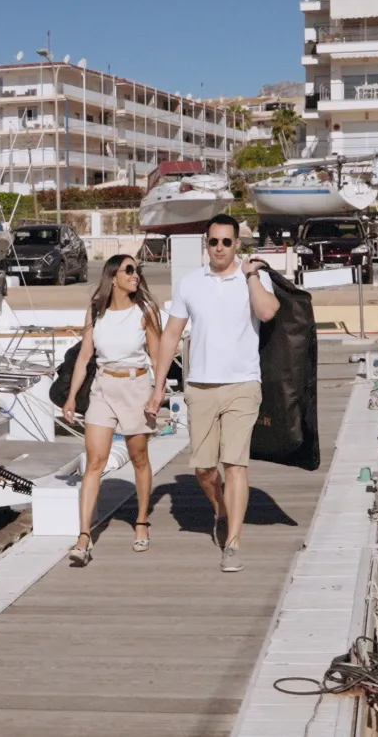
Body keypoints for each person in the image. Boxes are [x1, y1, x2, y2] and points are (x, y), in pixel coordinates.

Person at [148, 214, 277, 572]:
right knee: (204, 468)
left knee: (235, 464)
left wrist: (251, 274)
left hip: (243, 384)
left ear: (237, 243)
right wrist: (158, 388)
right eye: (213, 242)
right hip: (200, 386)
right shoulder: (190, 283)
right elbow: (171, 335)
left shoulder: (254, 277)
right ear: (206, 244)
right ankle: (220, 509)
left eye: (226, 241)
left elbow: (267, 312)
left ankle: (232, 541)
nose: (219, 248)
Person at [61, 253, 163, 567]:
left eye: (137, 269)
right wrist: (71, 397)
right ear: (113, 276)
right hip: (103, 387)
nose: (135, 274)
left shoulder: (145, 311)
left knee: (139, 458)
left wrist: (157, 394)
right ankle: (83, 536)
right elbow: (84, 357)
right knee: (95, 462)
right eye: (129, 269)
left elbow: (158, 358)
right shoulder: (95, 311)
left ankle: (142, 521)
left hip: (135, 386)